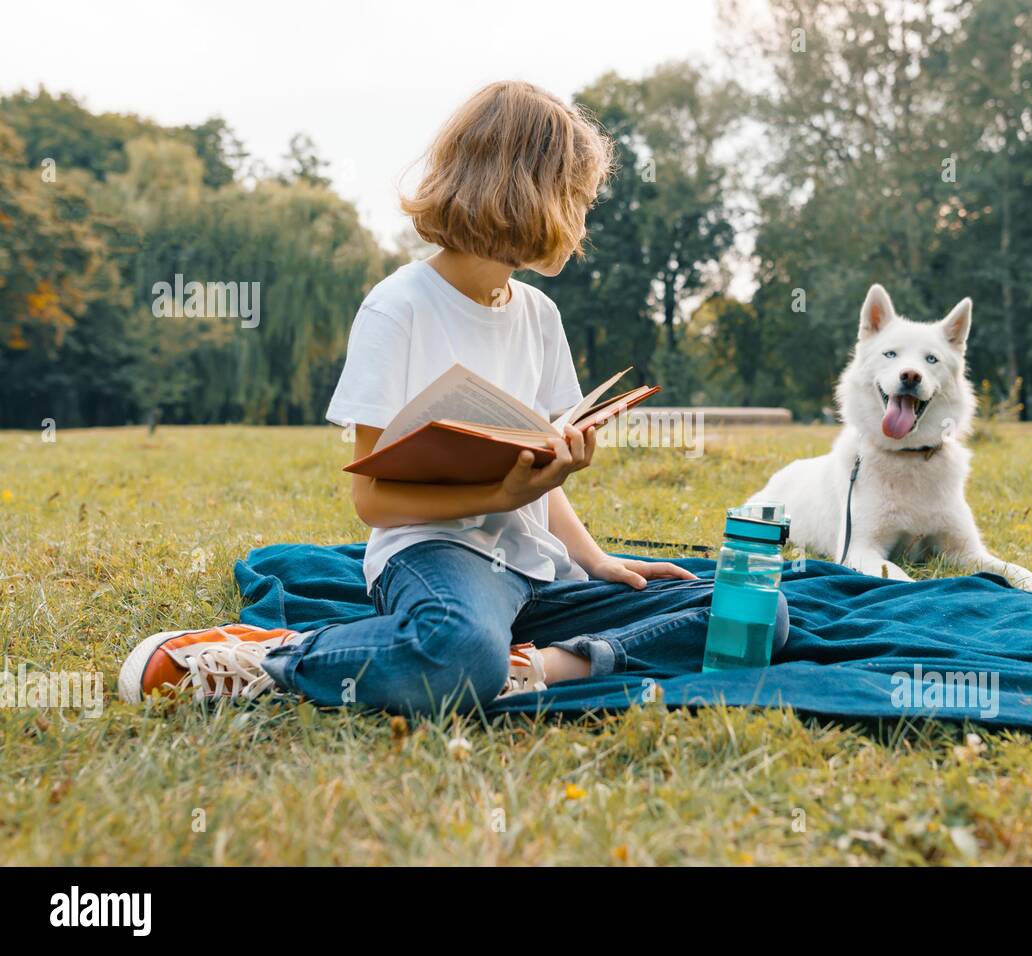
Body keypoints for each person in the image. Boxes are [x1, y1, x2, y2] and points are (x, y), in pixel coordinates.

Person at [118, 80, 788, 715]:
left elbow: (536, 470)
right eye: (579, 196)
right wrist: (499, 499)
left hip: (536, 569)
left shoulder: (538, 314)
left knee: (754, 612)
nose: (585, 217)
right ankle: (263, 661)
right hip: (436, 556)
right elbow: (372, 501)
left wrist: (595, 559)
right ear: (531, 194)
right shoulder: (397, 310)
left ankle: (532, 668)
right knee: (456, 650)